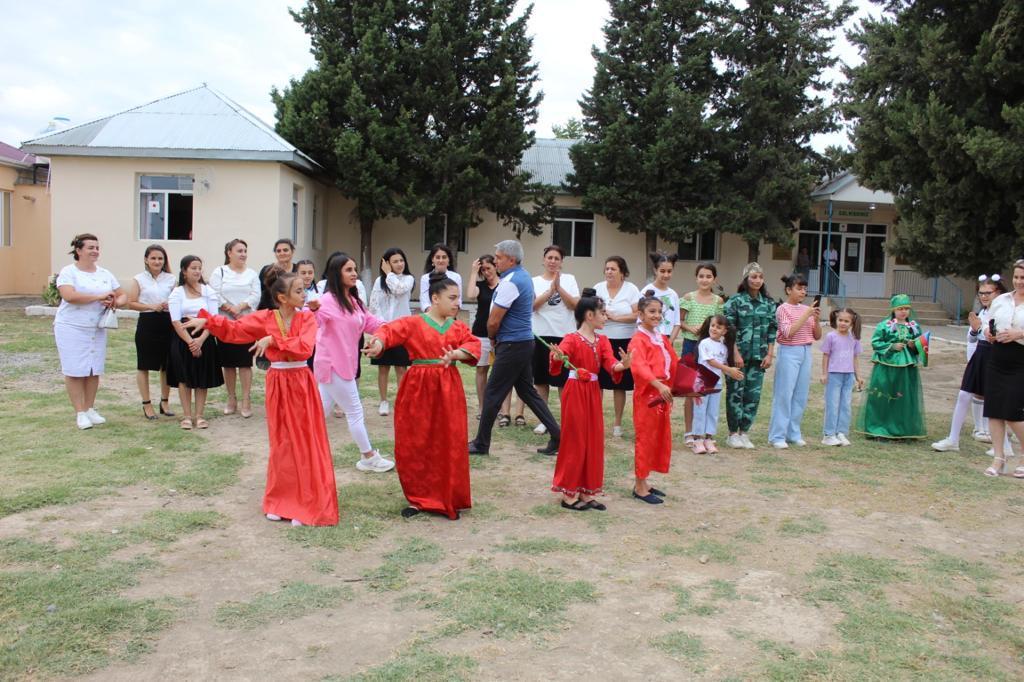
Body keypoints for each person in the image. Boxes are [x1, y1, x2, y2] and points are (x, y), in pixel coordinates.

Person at [185, 270, 337, 526]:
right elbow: (235, 329)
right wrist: (210, 322)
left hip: (301, 381)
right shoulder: (265, 317)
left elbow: (304, 347)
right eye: (298, 291)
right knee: (281, 441)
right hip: (277, 381)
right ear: (282, 297)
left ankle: (306, 502)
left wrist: (273, 341)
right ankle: (280, 499)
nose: (304, 295)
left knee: (303, 440)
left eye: (304, 290)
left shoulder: (307, 319)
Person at [364, 273, 481, 518]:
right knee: (415, 441)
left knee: (448, 441)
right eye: (452, 298)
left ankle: (447, 495)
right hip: (417, 389)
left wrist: (456, 354)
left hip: (448, 389)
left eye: (458, 298)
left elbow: (472, 345)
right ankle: (418, 497)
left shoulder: (458, 326)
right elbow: (388, 331)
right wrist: (379, 344)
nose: (457, 302)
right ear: (435, 298)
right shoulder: (414, 323)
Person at [468, 240, 561, 456]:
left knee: (492, 393)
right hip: (522, 342)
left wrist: (492, 338)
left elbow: (494, 320)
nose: (495, 261)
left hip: (512, 344)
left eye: (499, 257)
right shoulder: (523, 276)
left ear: (511, 260)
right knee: (527, 392)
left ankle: (481, 443)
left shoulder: (511, 282)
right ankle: (558, 435)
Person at [311, 252, 394, 473]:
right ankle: (368, 457)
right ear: (336, 274)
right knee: (355, 412)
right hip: (332, 366)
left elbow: (371, 322)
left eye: (355, 269)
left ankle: (297, 448)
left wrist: (393, 328)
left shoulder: (354, 301)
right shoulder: (326, 301)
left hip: (345, 365)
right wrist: (312, 309)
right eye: (348, 270)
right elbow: (313, 319)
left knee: (317, 413)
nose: (354, 273)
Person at [548, 288, 630, 511]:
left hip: (593, 391)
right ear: (589, 315)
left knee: (593, 439)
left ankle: (586, 491)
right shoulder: (571, 339)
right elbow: (559, 356)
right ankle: (568, 493)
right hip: (575, 390)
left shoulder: (602, 341)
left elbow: (610, 363)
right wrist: (557, 356)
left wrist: (623, 365)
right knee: (575, 439)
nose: (605, 316)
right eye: (602, 313)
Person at [53, 233, 127, 430]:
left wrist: (115, 302)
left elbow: (123, 295)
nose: (95, 251)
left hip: (96, 328)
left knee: (94, 369)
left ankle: (89, 408)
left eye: (97, 248)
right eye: (90, 248)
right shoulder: (69, 272)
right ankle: (80, 412)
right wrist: (98, 297)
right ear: (78, 250)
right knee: (75, 370)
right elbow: (69, 296)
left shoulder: (105, 273)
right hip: (72, 327)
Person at [932, 275, 1010, 454]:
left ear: (998, 292)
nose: (984, 296)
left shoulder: (1002, 311)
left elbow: (996, 336)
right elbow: (971, 337)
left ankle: (1004, 446)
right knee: (964, 395)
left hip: (995, 355)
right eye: (981, 293)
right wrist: (975, 330)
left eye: (988, 293)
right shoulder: (982, 311)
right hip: (980, 354)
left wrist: (980, 329)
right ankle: (953, 439)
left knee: (995, 400)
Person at [513, 245, 579, 433]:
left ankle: (566, 421)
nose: (552, 261)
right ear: (543, 260)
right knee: (541, 380)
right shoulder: (533, 281)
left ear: (561, 262)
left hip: (565, 336)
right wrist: (549, 292)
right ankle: (545, 421)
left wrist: (559, 288)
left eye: (557, 258)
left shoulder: (569, 279)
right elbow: (531, 306)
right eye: (549, 257)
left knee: (564, 381)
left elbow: (575, 305)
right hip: (541, 335)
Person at [854, 294, 926, 440]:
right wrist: (891, 346)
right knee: (884, 395)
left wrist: (914, 345)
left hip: (907, 366)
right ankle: (879, 428)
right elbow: (876, 342)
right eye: (900, 308)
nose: (903, 311)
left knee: (904, 396)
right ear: (893, 309)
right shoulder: (884, 325)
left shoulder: (914, 326)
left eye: (906, 308)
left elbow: (922, 345)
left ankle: (903, 429)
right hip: (886, 365)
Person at [629, 294, 678, 504]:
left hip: (662, 392)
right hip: (648, 395)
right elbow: (639, 366)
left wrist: (684, 386)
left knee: (658, 437)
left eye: (659, 312)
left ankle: (645, 481)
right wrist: (658, 385)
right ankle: (639, 486)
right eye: (652, 311)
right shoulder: (638, 340)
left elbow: (673, 361)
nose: (657, 315)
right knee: (646, 438)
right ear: (641, 315)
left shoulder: (660, 337)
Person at [723, 263, 777, 449]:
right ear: (746, 279)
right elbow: (728, 330)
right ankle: (732, 434)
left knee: (753, 396)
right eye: (753, 277)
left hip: (758, 357)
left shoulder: (768, 303)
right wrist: (735, 353)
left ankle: (744, 432)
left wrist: (769, 354)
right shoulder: (735, 301)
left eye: (760, 277)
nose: (757, 280)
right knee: (735, 394)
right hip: (738, 357)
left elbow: (772, 330)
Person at [167, 255, 223, 430]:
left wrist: (200, 340)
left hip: (205, 336)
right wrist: (191, 342)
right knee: (184, 377)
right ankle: (186, 416)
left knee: (201, 377)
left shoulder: (208, 291)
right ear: (184, 271)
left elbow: (213, 318)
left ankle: (199, 415)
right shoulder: (177, 292)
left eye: (199, 268)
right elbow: (176, 321)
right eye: (193, 268)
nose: (197, 271)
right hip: (183, 337)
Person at [768, 273, 822, 448]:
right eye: (799, 288)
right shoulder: (782, 309)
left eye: (805, 289)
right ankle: (777, 435)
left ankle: (793, 433)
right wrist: (806, 315)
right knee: (784, 394)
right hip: (789, 351)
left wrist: (816, 320)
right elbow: (788, 332)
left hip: (806, 351)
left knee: (800, 395)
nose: (803, 292)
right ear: (788, 290)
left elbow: (817, 335)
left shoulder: (807, 309)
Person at [209, 239, 260, 418]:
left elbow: (256, 295)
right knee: (228, 364)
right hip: (225, 324)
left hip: (245, 324)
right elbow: (214, 293)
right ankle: (231, 398)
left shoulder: (252, 274)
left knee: (245, 363)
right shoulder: (220, 272)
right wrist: (230, 309)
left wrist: (240, 308)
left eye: (245, 250)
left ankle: (246, 399)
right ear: (229, 253)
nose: (243, 254)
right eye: (239, 251)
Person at [983, 259, 1024, 478]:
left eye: (1023, 278)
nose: (1019, 281)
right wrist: (988, 333)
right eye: (1016, 277)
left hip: (1020, 360)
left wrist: (1020, 334)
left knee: (1013, 412)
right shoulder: (1001, 300)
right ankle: (999, 458)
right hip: (997, 358)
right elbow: (988, 323)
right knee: (994, 410)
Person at [126, 244, 176, 420]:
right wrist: (151, 306)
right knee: (144, 364)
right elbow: (131, 303)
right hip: (148, 322)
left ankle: (165, 401)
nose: (157, 261)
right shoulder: (139, 279)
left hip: (167, 323)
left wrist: (169, 304)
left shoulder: (171, 279)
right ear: (146, 260)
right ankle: (146, 404)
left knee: (166, 365)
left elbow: (177, 300)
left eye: (160, 258)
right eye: (153, 258)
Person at [679, 262, 725, 446]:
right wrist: (691, 328)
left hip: (710, 349)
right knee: (690, 390)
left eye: (708, 276)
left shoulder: (718, 301)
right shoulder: (688, 297)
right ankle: (689, 432)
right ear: (696, 278)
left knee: (707, 390)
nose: (704, 280)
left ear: (714, 279)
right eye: (701, 276)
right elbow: (679, 321)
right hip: (691, 346)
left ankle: (704, 432)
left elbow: (720, 324)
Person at [594, 256, 641, 437]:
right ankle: (596, 421)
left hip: (624, 340)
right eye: (607, 268)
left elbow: (637, 314)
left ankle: (617, 424)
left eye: (613, 269)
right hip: (601, 340)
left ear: (622, 272)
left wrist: (615, 318)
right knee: (598, 382)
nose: (609, 272)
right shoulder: (598, 288)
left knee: (619, 384)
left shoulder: (631, 289)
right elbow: (590, 311)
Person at [368, 248, 415, 416]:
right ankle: (383, 401)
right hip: (384, 329)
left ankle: (401, 400)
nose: (399, 264)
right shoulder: (379, 282)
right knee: (383, 367)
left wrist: (389, 274)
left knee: (401, 367)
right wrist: (382, 324)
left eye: (401, 260)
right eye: (395, 261)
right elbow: (374, 305)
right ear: (386, 263)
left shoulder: (408, 279)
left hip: (402, 329)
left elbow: (398, 289)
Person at [465, 254, 512, 421]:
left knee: (502, 373)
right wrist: (473, 272)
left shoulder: (505, 285)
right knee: (482, 370)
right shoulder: (480, 286)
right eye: (483, 270)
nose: (486, 272)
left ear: (495, 267)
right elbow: (470, 294)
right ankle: (482, 407)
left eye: (489, 268)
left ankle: (503, 410)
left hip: (502, 334)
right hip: (481, 333)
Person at [687, 315, 742, 455]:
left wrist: (732, 373)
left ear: (724, 331)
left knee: (713, 411)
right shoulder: (704, 343)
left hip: (716, 384)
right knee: (700, 411)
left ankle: (709, 438)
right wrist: (728, 369)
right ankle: (697, 439)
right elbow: (710, 361)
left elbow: (722, 365)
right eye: (713, 326)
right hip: (702, 383)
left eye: (718, 327)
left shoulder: (723, 347)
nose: (714, 329)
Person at [820, 308, 864, 447]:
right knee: (832, 405)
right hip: (834, 375)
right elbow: (825, 356)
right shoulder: (831, 336)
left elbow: (855, 358)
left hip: (849, 376)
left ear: (852, 323)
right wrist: (824, 373)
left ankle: (841, 433)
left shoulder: (854, 338)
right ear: (836, 320)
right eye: (840, 320)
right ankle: (829, 435)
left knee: (845, 405)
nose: (843, 323)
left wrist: (858, 376)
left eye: (846, 321)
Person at [644, 252, 681, 344]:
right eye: (662, 271)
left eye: (669, 271)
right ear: (655, 270)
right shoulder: (646, 291)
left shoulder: (673, 294)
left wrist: (669, 342)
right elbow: (640, 319)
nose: (666, 275)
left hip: (667, 340)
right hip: (650, 340)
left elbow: (677, 323)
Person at [419, 243, 463, 312]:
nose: (441, 260)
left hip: (450, 315)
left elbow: (458, 301)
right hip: (431, 315)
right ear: (432, 259)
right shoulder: (425, 278)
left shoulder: (456, 277)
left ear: (449, 260)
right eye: (437, 257)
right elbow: (425, 303)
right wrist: (436, 315)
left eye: (444, 257)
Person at [258, 238, 297, 310]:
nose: (282, 253)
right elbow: (259, 292)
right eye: (278, 251)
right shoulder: (266, 270)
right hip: (269, 311)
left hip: (292, 311)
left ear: (292, 251)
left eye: (285, 250)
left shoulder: (298, 270)